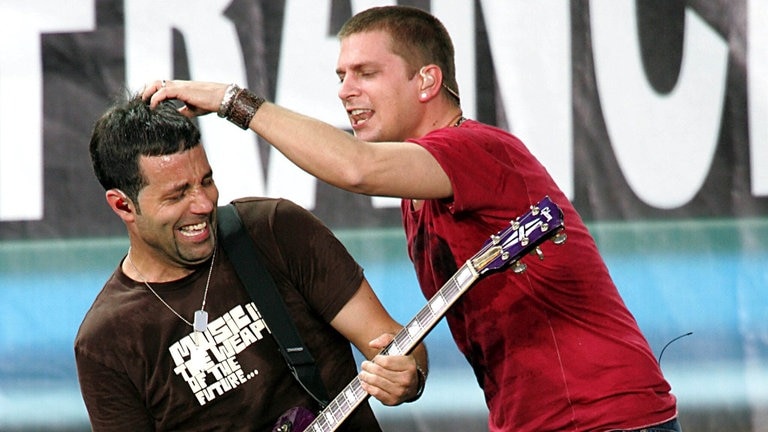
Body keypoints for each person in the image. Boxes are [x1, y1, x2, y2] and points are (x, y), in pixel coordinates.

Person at [142, 5, 682, 432]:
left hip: (607, 418)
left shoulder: (480, 150)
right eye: (340, 75)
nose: (345, 91)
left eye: (366, 73)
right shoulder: (417, 195)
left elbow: (354, 168)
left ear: (427, 81)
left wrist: (229, 100)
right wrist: (408, 374)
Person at [74, 94, 429, 432]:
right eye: (177, 194)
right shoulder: (105, 341)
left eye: (206, 181)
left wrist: (409, 374)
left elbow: (393, 342)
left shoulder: (275, 229)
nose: (203, 204)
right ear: (123, 206)